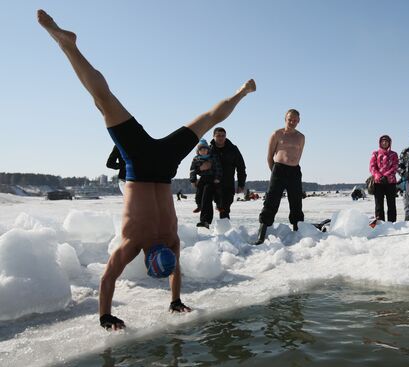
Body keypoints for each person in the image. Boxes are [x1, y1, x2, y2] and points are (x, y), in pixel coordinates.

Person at [37, 9, 256, 330]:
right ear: (146, 258)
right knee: (103, 100)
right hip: (140, 165)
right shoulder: (133, 243)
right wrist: (105, 316)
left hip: (163, 164)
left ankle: (241, 92)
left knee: (208, 119)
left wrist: (175, 299)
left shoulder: (169, 240)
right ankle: (68, 46)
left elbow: (174, 270)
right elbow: (108, 278)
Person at [255, 109, 305, 245]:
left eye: (295, 120)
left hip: (294, 171)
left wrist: (292, 166)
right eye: (290, 119)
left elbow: (298, 154)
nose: (292, 122)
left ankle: (297, 230)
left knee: (296, 201)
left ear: (298, 121)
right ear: (285, 119)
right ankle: (262, 232)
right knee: (271, 200)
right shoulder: (277, 134)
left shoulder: (301, 137)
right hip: (279, 169)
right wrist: (274, 171)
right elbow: (269, 156)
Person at [209, 127, 247, 219]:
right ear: (213, 136)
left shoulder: (233, 149)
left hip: (228, 184)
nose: (221, 138)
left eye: (223, 136)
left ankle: (224, 229)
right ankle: (208, 226)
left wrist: (241, 184)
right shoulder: (209, 150)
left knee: (225, 207)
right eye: (218, 136)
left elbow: (241, 167)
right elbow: (198, 164)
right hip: (213, 184)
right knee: (219, 206)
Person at [189, 139, 222, 229]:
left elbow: (218, 168)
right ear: (198, 151)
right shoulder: (196, 159)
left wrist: (217, 178)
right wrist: (193, 180)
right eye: (201, 150)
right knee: (199, 195)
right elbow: (192, 170)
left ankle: (205, 220)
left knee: (207, 198)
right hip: (202, 179)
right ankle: (199, 205)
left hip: (211, 180)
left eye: (205, 149)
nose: (203, 151)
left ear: (208, 149)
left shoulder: (212, 157)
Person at [369, 135, 399, 222]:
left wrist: (386, 176)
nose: (385, 142)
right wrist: (379, 176)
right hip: (378, 183)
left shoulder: (394, 154)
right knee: (379, 205)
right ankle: (380, 223)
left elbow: (395, 167)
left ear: (389, 143)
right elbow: (372, 167)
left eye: (386, 141)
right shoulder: (375, 154)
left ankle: (392, 223)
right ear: (380, 143)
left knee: (391, 204)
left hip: (391, 182)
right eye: (383, 141)